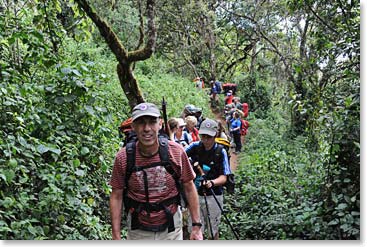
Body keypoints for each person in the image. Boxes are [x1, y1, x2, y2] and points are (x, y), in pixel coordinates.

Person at [109, 102, 203, 240]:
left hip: (171, 228)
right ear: (133, 127)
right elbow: (116, 196)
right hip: (138, 229)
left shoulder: (175, 152)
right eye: (141, 123)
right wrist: (116, 235)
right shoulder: (123, 158)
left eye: (152, 122)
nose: (147, 128)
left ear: (160, 124)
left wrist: (196, 226)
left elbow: (189, 186)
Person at [185, 119, 231, 240]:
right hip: (195, 195)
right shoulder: (195, 147)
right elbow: (180, 155)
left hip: (214, 195)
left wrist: (212, 182)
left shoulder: (221, 152)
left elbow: (224, 177)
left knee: (213, 229)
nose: (205, 140)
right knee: (194, 228)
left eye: (208, 137)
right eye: (203, 136)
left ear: (215, 135)